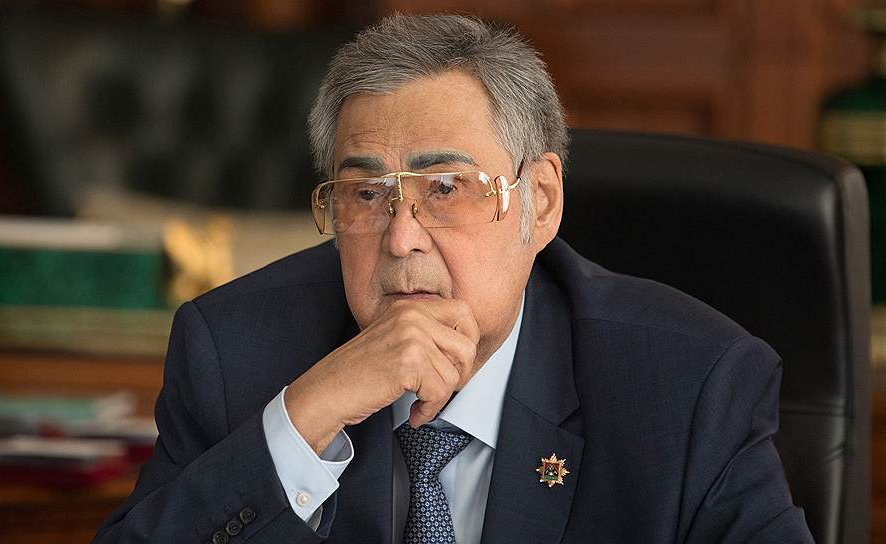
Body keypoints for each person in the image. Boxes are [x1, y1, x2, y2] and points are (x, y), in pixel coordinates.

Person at [93, 13, 814, 544]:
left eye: (445, 188)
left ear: (540, 201)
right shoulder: (233, 352)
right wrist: (304, 421)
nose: (401, 238)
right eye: (366, 194)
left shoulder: (688, 385)